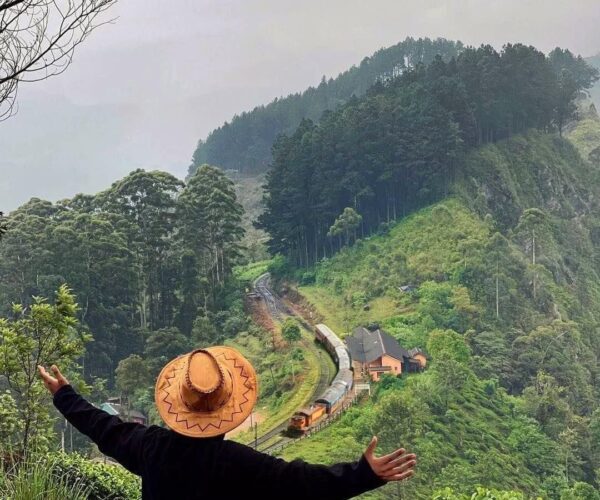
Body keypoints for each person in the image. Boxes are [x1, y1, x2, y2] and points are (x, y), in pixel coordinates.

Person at [39, 346, 416, 499]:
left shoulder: (149, 446)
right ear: (227, 413)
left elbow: (101, 426)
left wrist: (64, 394)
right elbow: (302, 483)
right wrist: (363, 474)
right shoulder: (238, 463)